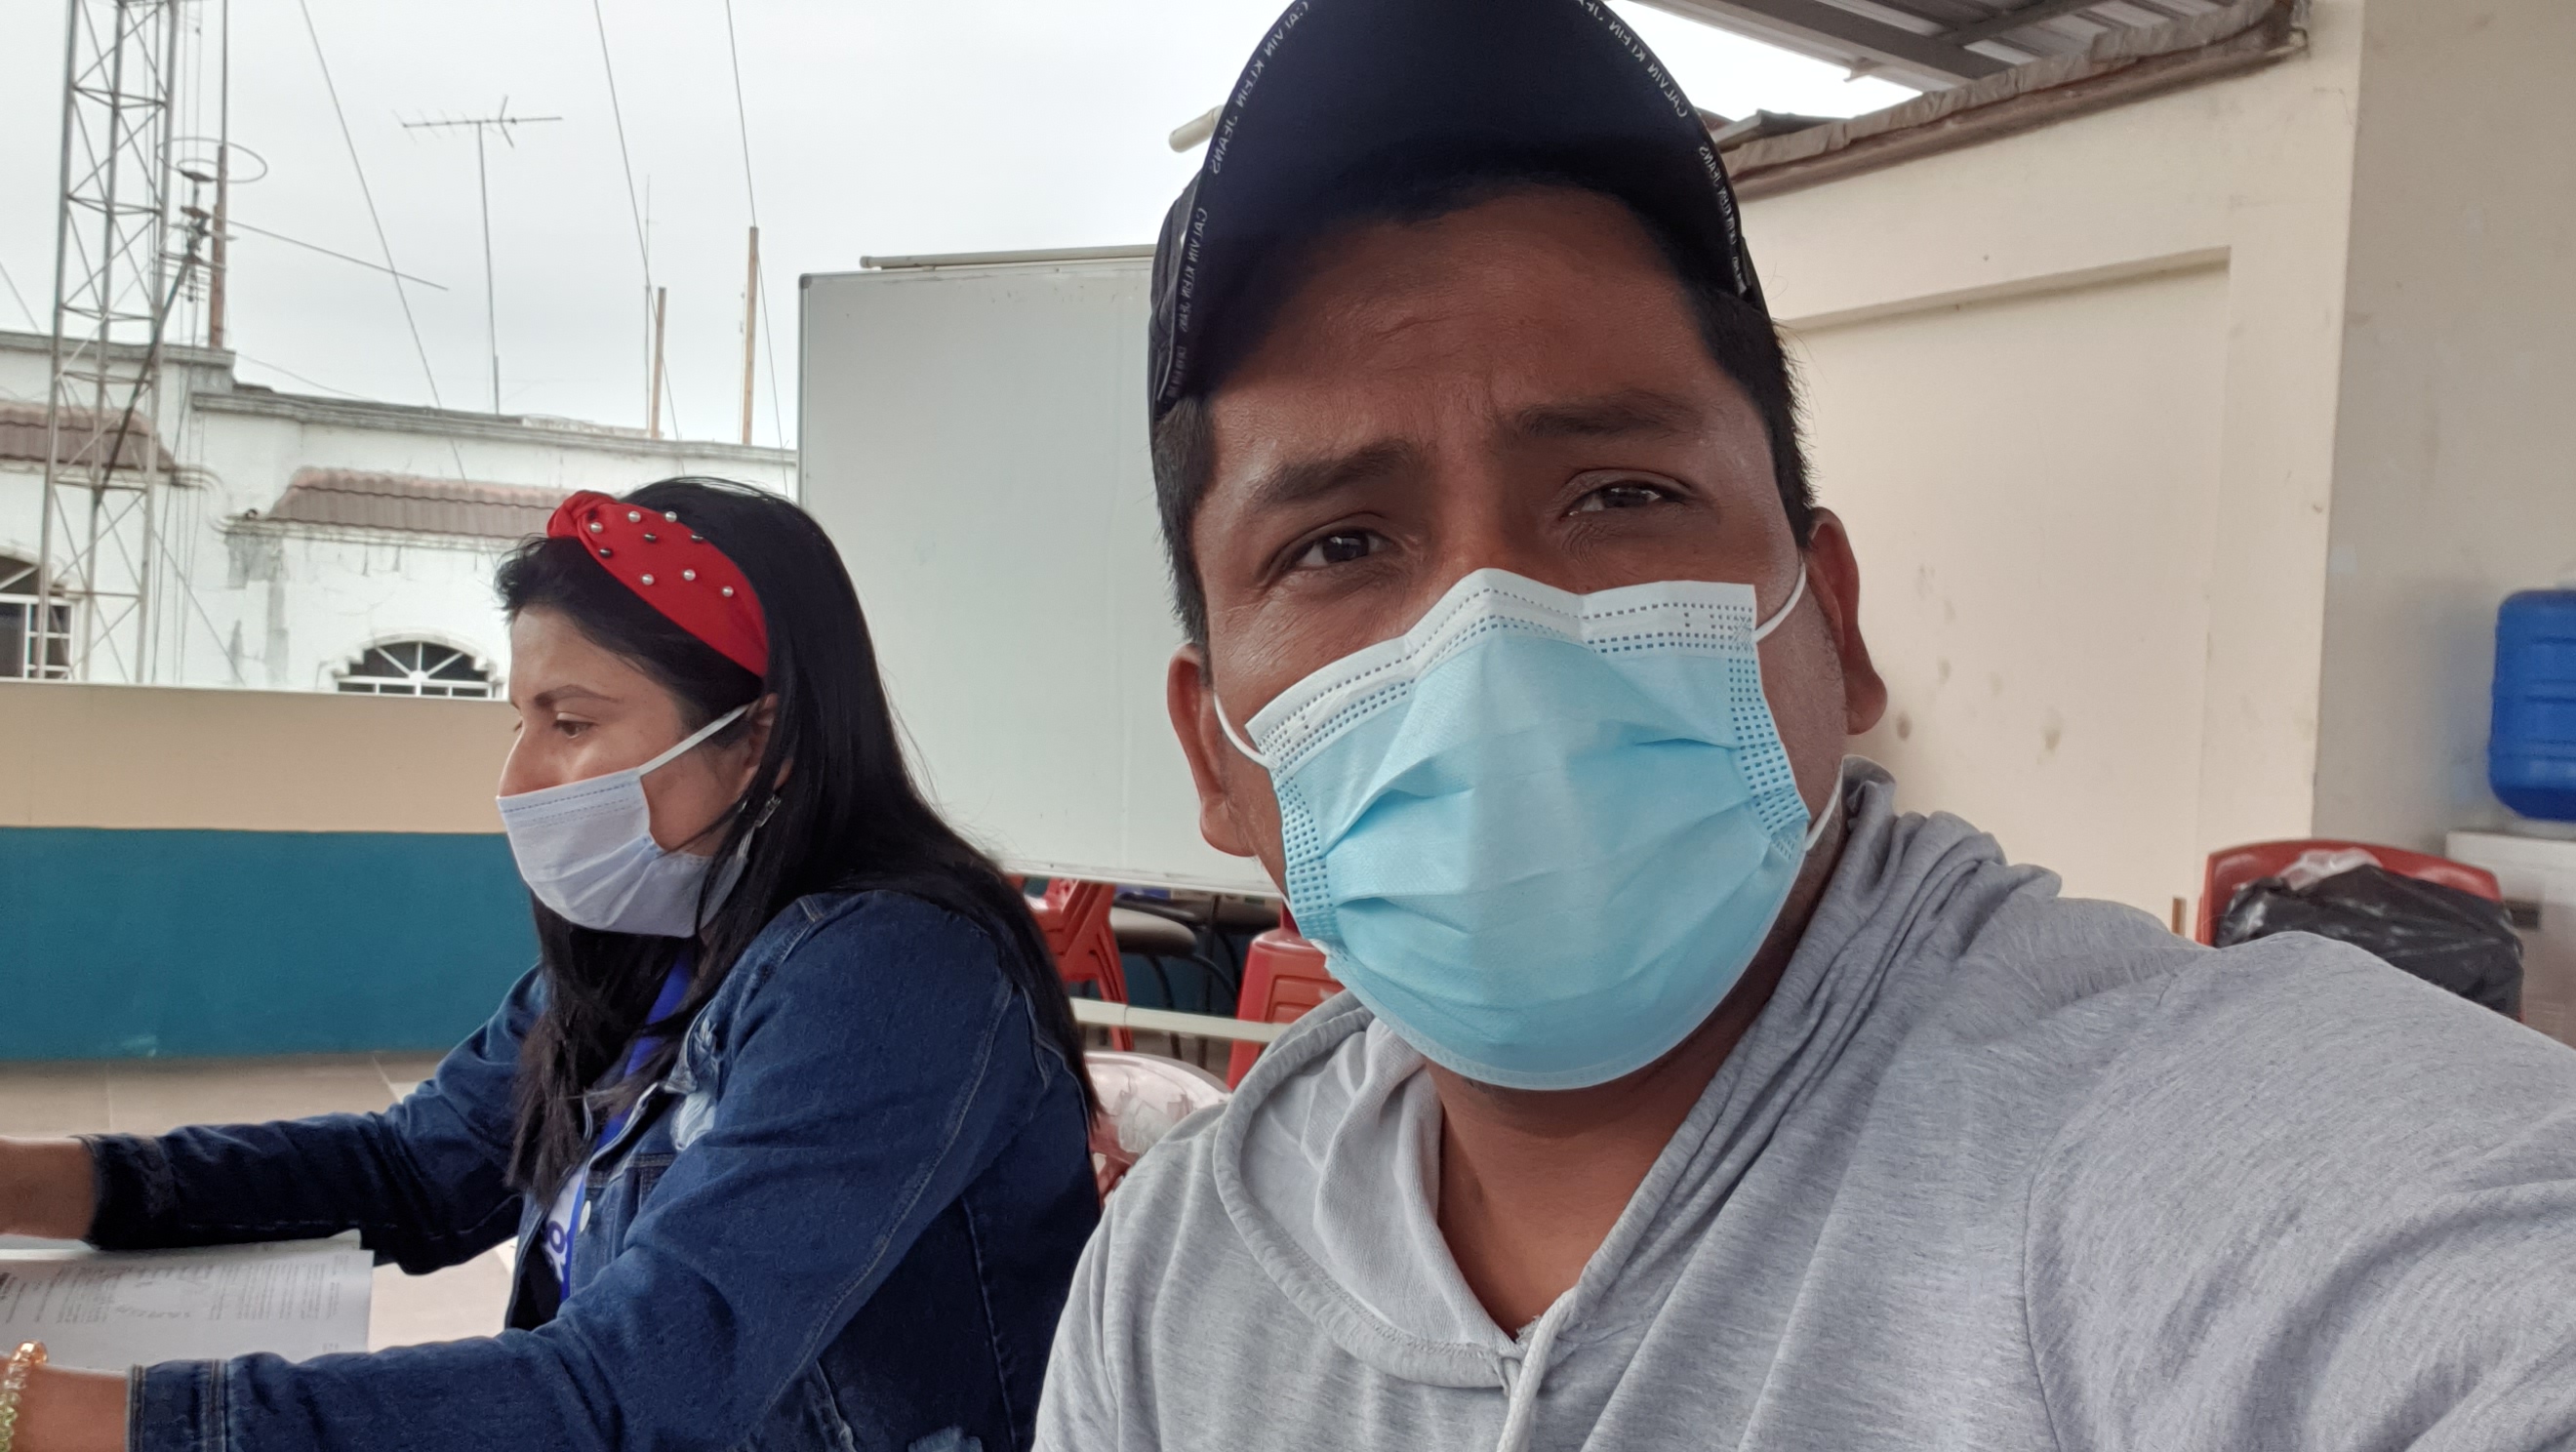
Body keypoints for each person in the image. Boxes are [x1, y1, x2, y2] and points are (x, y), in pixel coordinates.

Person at [1037, 2, 2576, 1448]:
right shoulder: (1174, 1290)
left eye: (1620, 495)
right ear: (1215, 756)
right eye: (1340, 544)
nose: (1492, 627)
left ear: (1830, 629)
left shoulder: (2168, 1141)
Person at [0, 478, 1099, 1451]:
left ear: (759, 741)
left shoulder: (897, 977)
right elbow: (411, 1169)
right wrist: (37, 1179)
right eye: (519, 721)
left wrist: (43, 1415)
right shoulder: (657, 940)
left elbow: (630, 1393)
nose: (518, 778)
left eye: (570, 723)